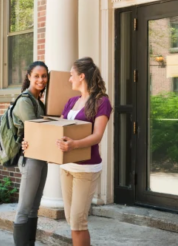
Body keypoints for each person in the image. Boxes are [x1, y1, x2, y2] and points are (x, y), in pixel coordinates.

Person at [22, 57, 112, 246]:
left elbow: (97, 136)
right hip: (67, 166)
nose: (69, 79)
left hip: (87, 168)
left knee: (78, 223)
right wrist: (31, 144)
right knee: (72, 221)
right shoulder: (71, 102)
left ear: (81, 76)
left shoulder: (101, 102)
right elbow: (57, 130)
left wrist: (74, 145)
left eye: (71, 75)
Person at [12, 61, 49, 246]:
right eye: (36, 76)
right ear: (29, 77)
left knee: (34, 208)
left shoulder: (39, 102)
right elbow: (35, 131)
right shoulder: (25, 101)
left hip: (41, 157)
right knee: (24, 209)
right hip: (30, 159)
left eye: (44, 76)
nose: (41, 80)